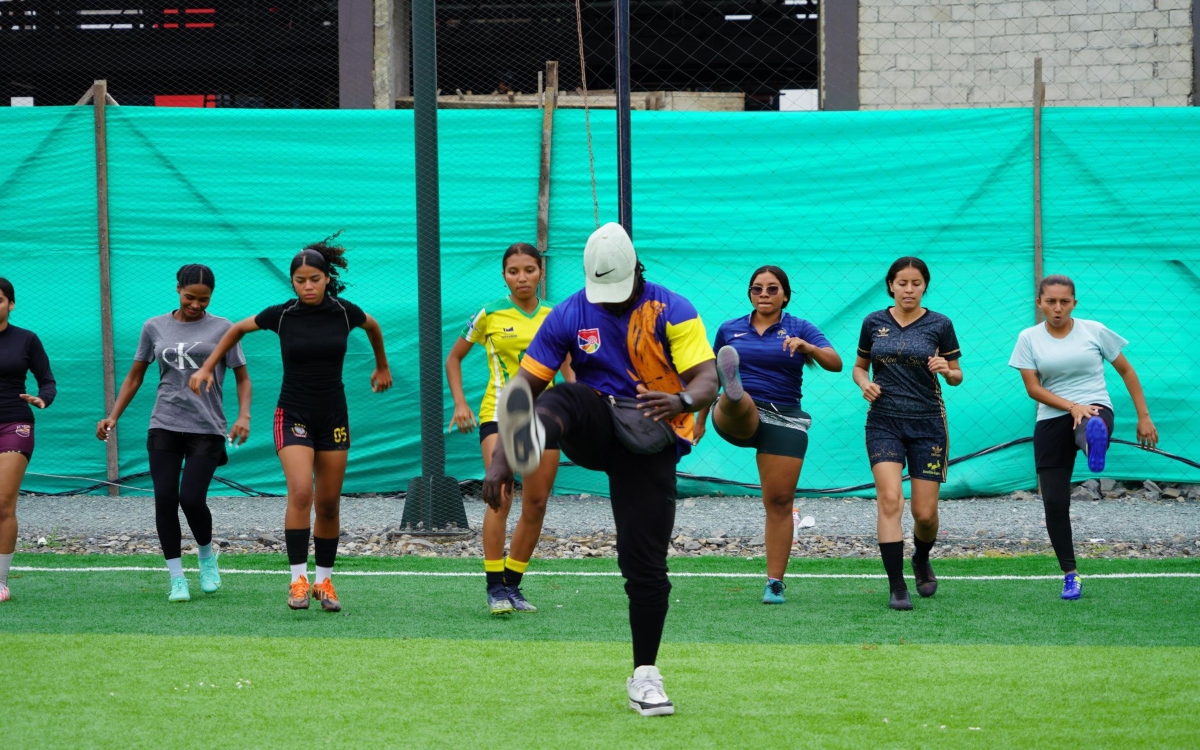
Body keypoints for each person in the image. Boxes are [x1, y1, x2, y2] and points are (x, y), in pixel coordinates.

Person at [483, 223, 719, 717]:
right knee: (562, 395)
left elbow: (706, 377)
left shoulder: (673, 308)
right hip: (594, 422)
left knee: (646, 567)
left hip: (652, 435)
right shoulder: (569, 311)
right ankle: (530, 445)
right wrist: (503, 458)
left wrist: (680, 398)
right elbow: (524, 384)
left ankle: (645, 676)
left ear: (637, 269)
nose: (607, 300)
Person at [191, 235, 392, 612]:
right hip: (293, 414)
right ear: (293, 282)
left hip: (333, 415)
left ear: (326, 278)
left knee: (329, 502)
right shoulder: (282, 315)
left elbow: (374, 327)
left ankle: (325, 582)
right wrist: (207, 366)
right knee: (302, 492)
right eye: (300, 280)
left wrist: (382, 365)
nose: (308, 286)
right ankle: (298, 580)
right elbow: (234, 329)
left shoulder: (344, 312)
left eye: (314, 278)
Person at [95, 265, 251, 602]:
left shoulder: (224, 328)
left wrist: (244, 415)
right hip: (164, 423)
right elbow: (135, 376)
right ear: (178, 289)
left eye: (204, 299)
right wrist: (113, 416)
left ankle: (207, 557)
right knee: (165, 498)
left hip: (207, 428)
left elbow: (242, 376)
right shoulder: (154, 327)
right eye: (190, 297)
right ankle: (177, 578)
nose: (196, 305)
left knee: (191, 499)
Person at [694, 265, 841, 604]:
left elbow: (835, 363)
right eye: (757, 289)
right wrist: (699, 420)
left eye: (772, 289)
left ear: (784, 295)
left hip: (785, 418)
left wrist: (808, 348)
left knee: (778, 502)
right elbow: (710, 379)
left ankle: (774, 584)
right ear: (749, 294)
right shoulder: (730, 330)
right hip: (738, 416)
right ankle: (735, 394)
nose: (764, 295)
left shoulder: (799, 328)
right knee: (738, 399)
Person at [1009, 274, 1158, 600]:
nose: (1058, 308)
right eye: (1051, 301)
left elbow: (1127, 371)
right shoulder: (1028, 338)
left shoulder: (1094, 330)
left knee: (1087, 424)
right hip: (1051, 417)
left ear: (1074, 303)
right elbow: (1034, 388)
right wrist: (1070, 405)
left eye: (1064, 301)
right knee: (1055, 503)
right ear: (1039, 303)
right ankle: (1070, 574)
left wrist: (1144, 416)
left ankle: (1093, 443)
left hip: (1094, 407)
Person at [445, 243, 573, 615]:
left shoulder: (557, 314)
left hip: (546, 417)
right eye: (514, 271)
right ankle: (493, 587)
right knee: (500, 496)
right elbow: (454, 358)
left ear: (540, 273)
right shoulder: (490, 314)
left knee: (536, 502)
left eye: (529, 270)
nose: (522, 278)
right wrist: (460, 402)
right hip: (498, 414)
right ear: (504, 275)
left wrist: (584, 403)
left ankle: (513, 586)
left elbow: (569, 367)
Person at [852, 257, 962, 611]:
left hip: (928, 423)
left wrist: (947, 369)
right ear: (891, 286)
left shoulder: (940, 324)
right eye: (902, 283)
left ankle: (921, 558)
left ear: (925, 286)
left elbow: (958, 375)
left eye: (916, 283)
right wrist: (865, 384)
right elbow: (859, 367)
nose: (909, 289)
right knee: (889, 500)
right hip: (883, 422)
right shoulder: (874, 322)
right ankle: (897, 586)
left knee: (925, 513)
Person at [0, 277, 56, 603]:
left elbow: (47, 381)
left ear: (11, 304)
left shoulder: (26, 340)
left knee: (3, 505)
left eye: (0, 299)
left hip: (14, 424)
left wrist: (42, 399)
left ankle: (2, 581)